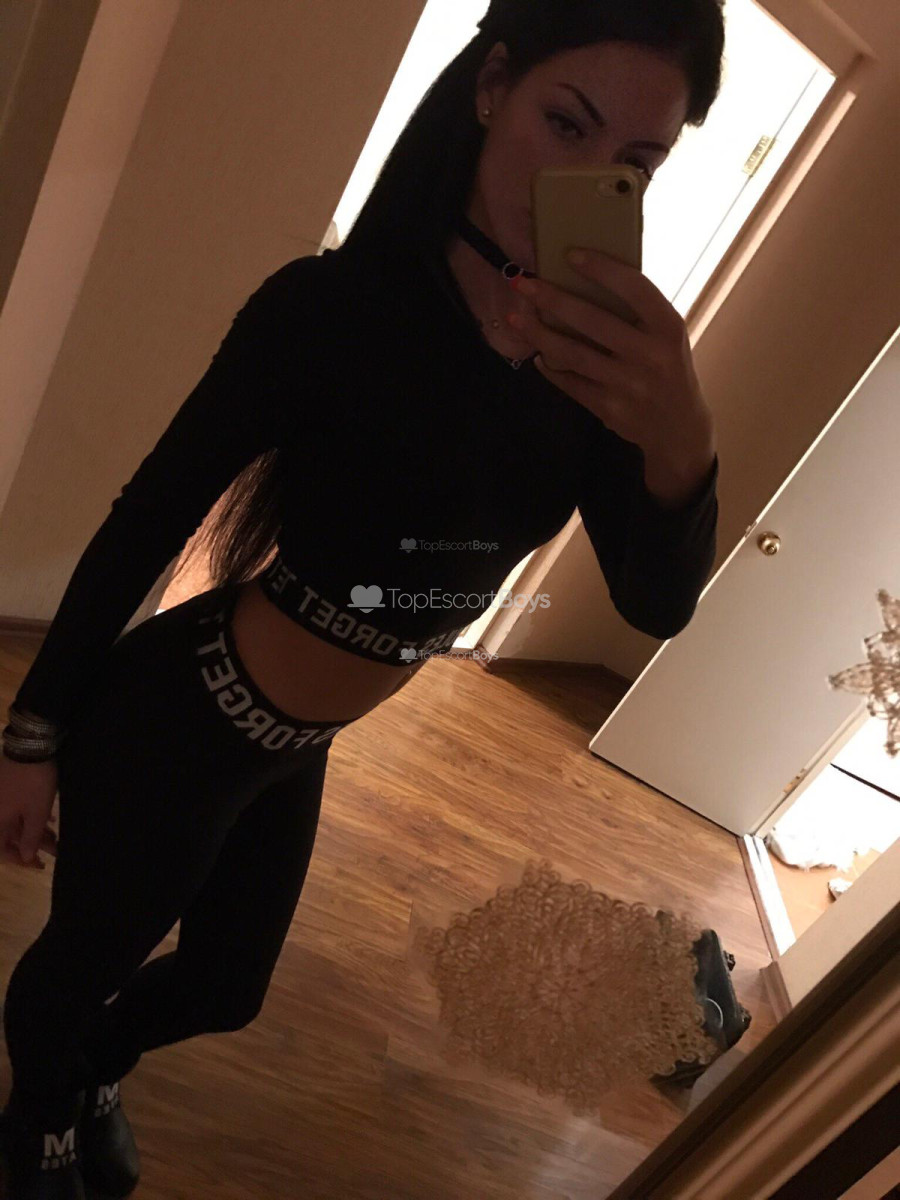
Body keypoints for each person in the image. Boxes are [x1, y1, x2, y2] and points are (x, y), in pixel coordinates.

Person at [0, 1, 724, 1195]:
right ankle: (35, 1124)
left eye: (635, 163)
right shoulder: (331, 309)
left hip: (301, 744)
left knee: (226, 992)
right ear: (491, 87)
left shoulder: (590, 371)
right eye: (566, 122)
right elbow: (150, 514)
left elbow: (658, 605)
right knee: (81, 966)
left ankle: (92, 1072)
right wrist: (35, 732)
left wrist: (683, 440)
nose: (587, 176)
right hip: (186, 719)